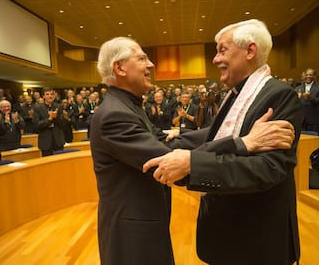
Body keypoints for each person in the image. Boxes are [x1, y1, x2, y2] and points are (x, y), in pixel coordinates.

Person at [90, 36, 296, 265]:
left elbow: (165, 143)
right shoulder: (114, 114)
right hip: (132, 232)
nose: (151, 65)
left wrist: (234, 136)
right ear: (119, 67)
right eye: (142, 58)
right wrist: (243, 143)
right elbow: (165, 157)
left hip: (142, 223)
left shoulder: (127, 105)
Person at [144, 19, 302, 265]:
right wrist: (172, 139)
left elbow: (269, 168)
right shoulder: (236, 92)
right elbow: (216, 135)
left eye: (222, 51)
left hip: (255, 238)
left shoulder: (279, 95)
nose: (215, 59)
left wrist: (193, 164)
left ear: (250, 51)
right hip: (228, 231)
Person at [295, 68, 319, 171]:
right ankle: (302, 171)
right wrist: (297, 99)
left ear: (314, 76)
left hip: (314, 121)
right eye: (306, 75)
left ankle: (315, 172)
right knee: (300, 146)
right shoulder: (298, 88)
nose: (308, 77)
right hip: (301, 122)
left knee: (315, 147)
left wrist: (310, 98)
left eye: (310, 75)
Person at [33, 87, 65, 156]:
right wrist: (49, 119)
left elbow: (63, 124)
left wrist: (55, 117)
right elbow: (36, 126)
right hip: (45, 142)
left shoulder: (59, 107)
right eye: (47, 94)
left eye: (51, 94)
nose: (50, 96)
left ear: (54, 96)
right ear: (43, 96)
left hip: (58, 140)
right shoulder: (38, 108)